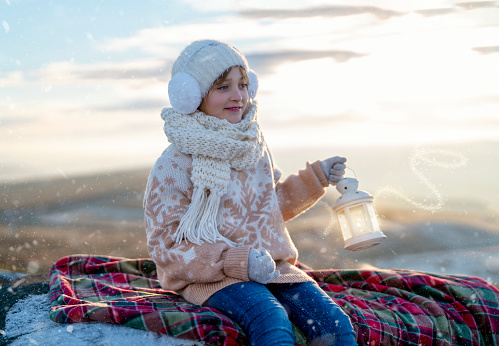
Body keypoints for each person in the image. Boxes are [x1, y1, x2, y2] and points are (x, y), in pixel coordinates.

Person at [143, 39, 357, 345]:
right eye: (222, 87)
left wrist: (315, 178)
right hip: (213, 275)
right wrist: (234, 261)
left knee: (333, 324)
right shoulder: (174, 164)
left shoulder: (252, 148)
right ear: (192, 95)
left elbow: (268, 209)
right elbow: (166, 244)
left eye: (243, 84)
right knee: (270, 319)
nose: (238, 96)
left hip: (270, 266)